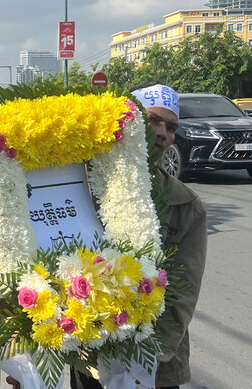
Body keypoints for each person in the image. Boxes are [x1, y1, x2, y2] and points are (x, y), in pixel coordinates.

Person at [71, 84, 207, 389]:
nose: (163, 133)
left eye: (171, 127)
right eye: (153, 120)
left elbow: (183, 294)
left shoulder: (186, 205)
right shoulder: (84, 187)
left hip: (153, 364)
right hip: (88, 353)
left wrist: (144, 359)